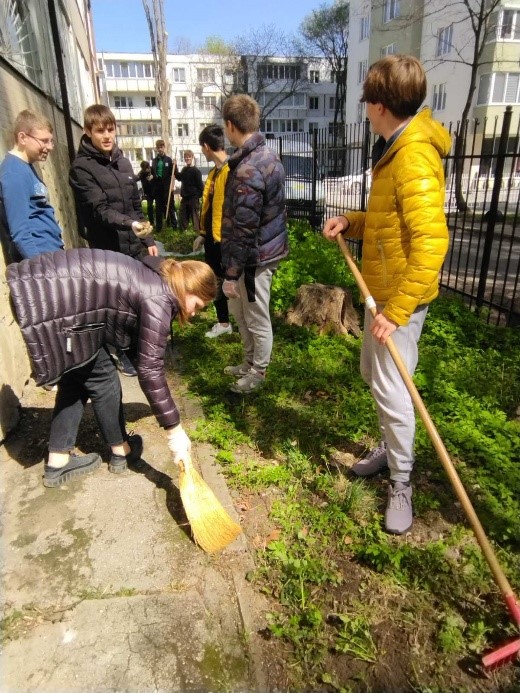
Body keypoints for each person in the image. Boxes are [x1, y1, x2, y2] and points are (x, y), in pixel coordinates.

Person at [322, 55, 451, 535]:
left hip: (399, 302)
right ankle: (390, 449)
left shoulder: (413, 156)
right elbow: (389, 223)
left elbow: (431, 243)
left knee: (394, 390)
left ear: (379, 105)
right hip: (383, 294)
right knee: (373, 376)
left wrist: (396, 311)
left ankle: (401, 481)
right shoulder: (395, 150)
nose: (365, 110)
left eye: (366, 103)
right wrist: (351, 222)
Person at [7, 248, 217, 488]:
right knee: (103, 378)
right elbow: (150, 369)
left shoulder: (156, 277)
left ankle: (62, 460)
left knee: (78, 371)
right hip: (47, 302)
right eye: (197, 305)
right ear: (189, 288)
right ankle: (119, 452)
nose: (193, 313)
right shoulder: (159, 298)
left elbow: (138, 345)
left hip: (38, 291)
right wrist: (174, 430)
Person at [69, 104, 158, 377]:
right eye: (100, 131)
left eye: (110, 129)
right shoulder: (81, 168)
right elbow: (99, 210)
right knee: (117, 304)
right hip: (107, 247)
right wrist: (130, 224)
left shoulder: (123, 162)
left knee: (140, 297)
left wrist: (148, 238)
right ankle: (119, 350)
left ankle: (139, 349)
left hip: (134, 245)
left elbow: (135, 205)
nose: (107, 136)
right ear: (88, 131)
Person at [220, 94, 288, 394]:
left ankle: (258, 372)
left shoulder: (248, 168)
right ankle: (249, 363)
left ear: (230, 125)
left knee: (255, 316)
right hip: (258, 253)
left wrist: (232, 273)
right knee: (242, 312)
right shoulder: (267, 156)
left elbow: (245, 228)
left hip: (254, 258)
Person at [0, 109, 63, 263]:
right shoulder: (14, 173)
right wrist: (40, 266)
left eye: (51, 141)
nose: (50, 147)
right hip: (40, 263)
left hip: (50, 255)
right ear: (22, 138)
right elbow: (20, 233)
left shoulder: (26, 166)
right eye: (44, 141)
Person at [194, 124, 233, 339]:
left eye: (202, 148)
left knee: (231, 281)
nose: (202, 152)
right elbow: (209, 208)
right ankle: (224, 322)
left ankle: (241, 320)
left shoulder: (231, 171)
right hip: (212, 238)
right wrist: (203, 234)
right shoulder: (213, 173)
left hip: (227, 239)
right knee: (215, 279)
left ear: (207, 147)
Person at [151, 139, 177, 231]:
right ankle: (159, 228)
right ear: (156, 149)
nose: (160, 149)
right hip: (158, 187)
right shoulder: (154, 161)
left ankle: (174, 226)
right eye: (158, 148)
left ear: (164, 148)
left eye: (161, 147)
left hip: (167, 187)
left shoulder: (168, 160)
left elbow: (173, 173)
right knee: (158, 208)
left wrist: (175, 165)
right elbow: (152, 173)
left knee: (171, 206)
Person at [174, 150, 203, 231]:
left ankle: (197, 233)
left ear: (192, 157)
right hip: (185, 198)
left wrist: (196, 196)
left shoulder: (196, 171)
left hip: (193, 198)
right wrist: (175, 167)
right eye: (186, 157)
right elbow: (179, 177)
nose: (187, 158)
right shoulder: (184, 169)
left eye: (189, 157)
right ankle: (183, 232)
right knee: (183, 216)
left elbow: (201, 187)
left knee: (195, 217)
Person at [138, 160, 155, 227]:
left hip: (155, 190)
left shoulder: (152, 170)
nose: (147, 169)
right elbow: (138, 177)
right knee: (150, 206)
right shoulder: (142, 173)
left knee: (159, 207)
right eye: (145, 168)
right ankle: (151, 222)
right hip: (148, 192)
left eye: (148, 167)